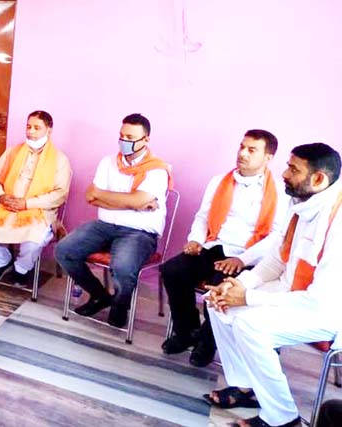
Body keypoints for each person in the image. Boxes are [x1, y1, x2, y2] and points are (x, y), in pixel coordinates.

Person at [203, 143, 341, 427]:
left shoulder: (337, 221)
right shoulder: (301, 203)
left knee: (249, 325)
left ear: (318, 179)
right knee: (218, 302)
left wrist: (248, 298)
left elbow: (318, 300)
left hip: (327, 311)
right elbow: (275, 262)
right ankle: (247, 388)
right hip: (290, 292)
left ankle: (283, 419)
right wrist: (235, 285)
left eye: (293, 169)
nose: (284, 174)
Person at [160, 130, 289, 367]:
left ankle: (208, 342)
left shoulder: (280, 192)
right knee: (172, 270)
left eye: (252, 150)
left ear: (268, 157)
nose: (242, 153)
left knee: (221, 286)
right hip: (212, 246)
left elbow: (277, 236)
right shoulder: (220, 180)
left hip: (246, 256)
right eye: (242, 147)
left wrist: (242, 259)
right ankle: (188, 331)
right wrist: (195, 239)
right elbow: (202, 216)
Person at [55, 113, 172, 328]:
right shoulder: (108, 162)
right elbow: (91, 196)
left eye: (130, 137)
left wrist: (107, 198)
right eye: (121, 135)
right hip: (104, 226)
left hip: (139, 232)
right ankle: (99, 295)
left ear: (145, 140)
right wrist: (133, 204)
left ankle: (120, 305)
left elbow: (135, 198)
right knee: (64, 250)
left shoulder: (157, 170)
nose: (123, 141)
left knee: (123, 266)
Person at [0, 110, 72, 286]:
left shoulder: (60, 160)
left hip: (37, 210)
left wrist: (27, 203)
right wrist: (1, 196)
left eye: (37, 128)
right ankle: (1, 260)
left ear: (49, 131)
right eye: (28, 126)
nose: (30, 131)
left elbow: (60, 194)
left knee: (35, 239)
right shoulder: (13, 152)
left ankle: (22, 268)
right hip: (3, 205)